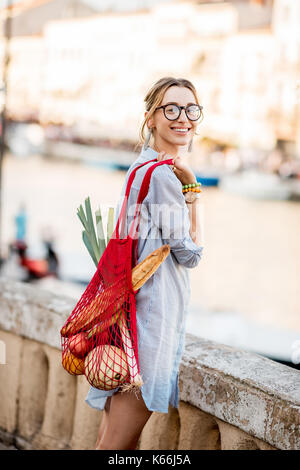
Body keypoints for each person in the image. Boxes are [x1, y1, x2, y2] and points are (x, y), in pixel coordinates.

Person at [85, 77, 204, 450]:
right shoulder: (165, 177)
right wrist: (193, 191)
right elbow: (190, 253)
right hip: (149, 325)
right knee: (115, 447)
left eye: (190, 109)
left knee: (115, 440)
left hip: (125, 318)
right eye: (171, 108)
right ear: (151, 118)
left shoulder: (139, 168)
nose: (182, 117)